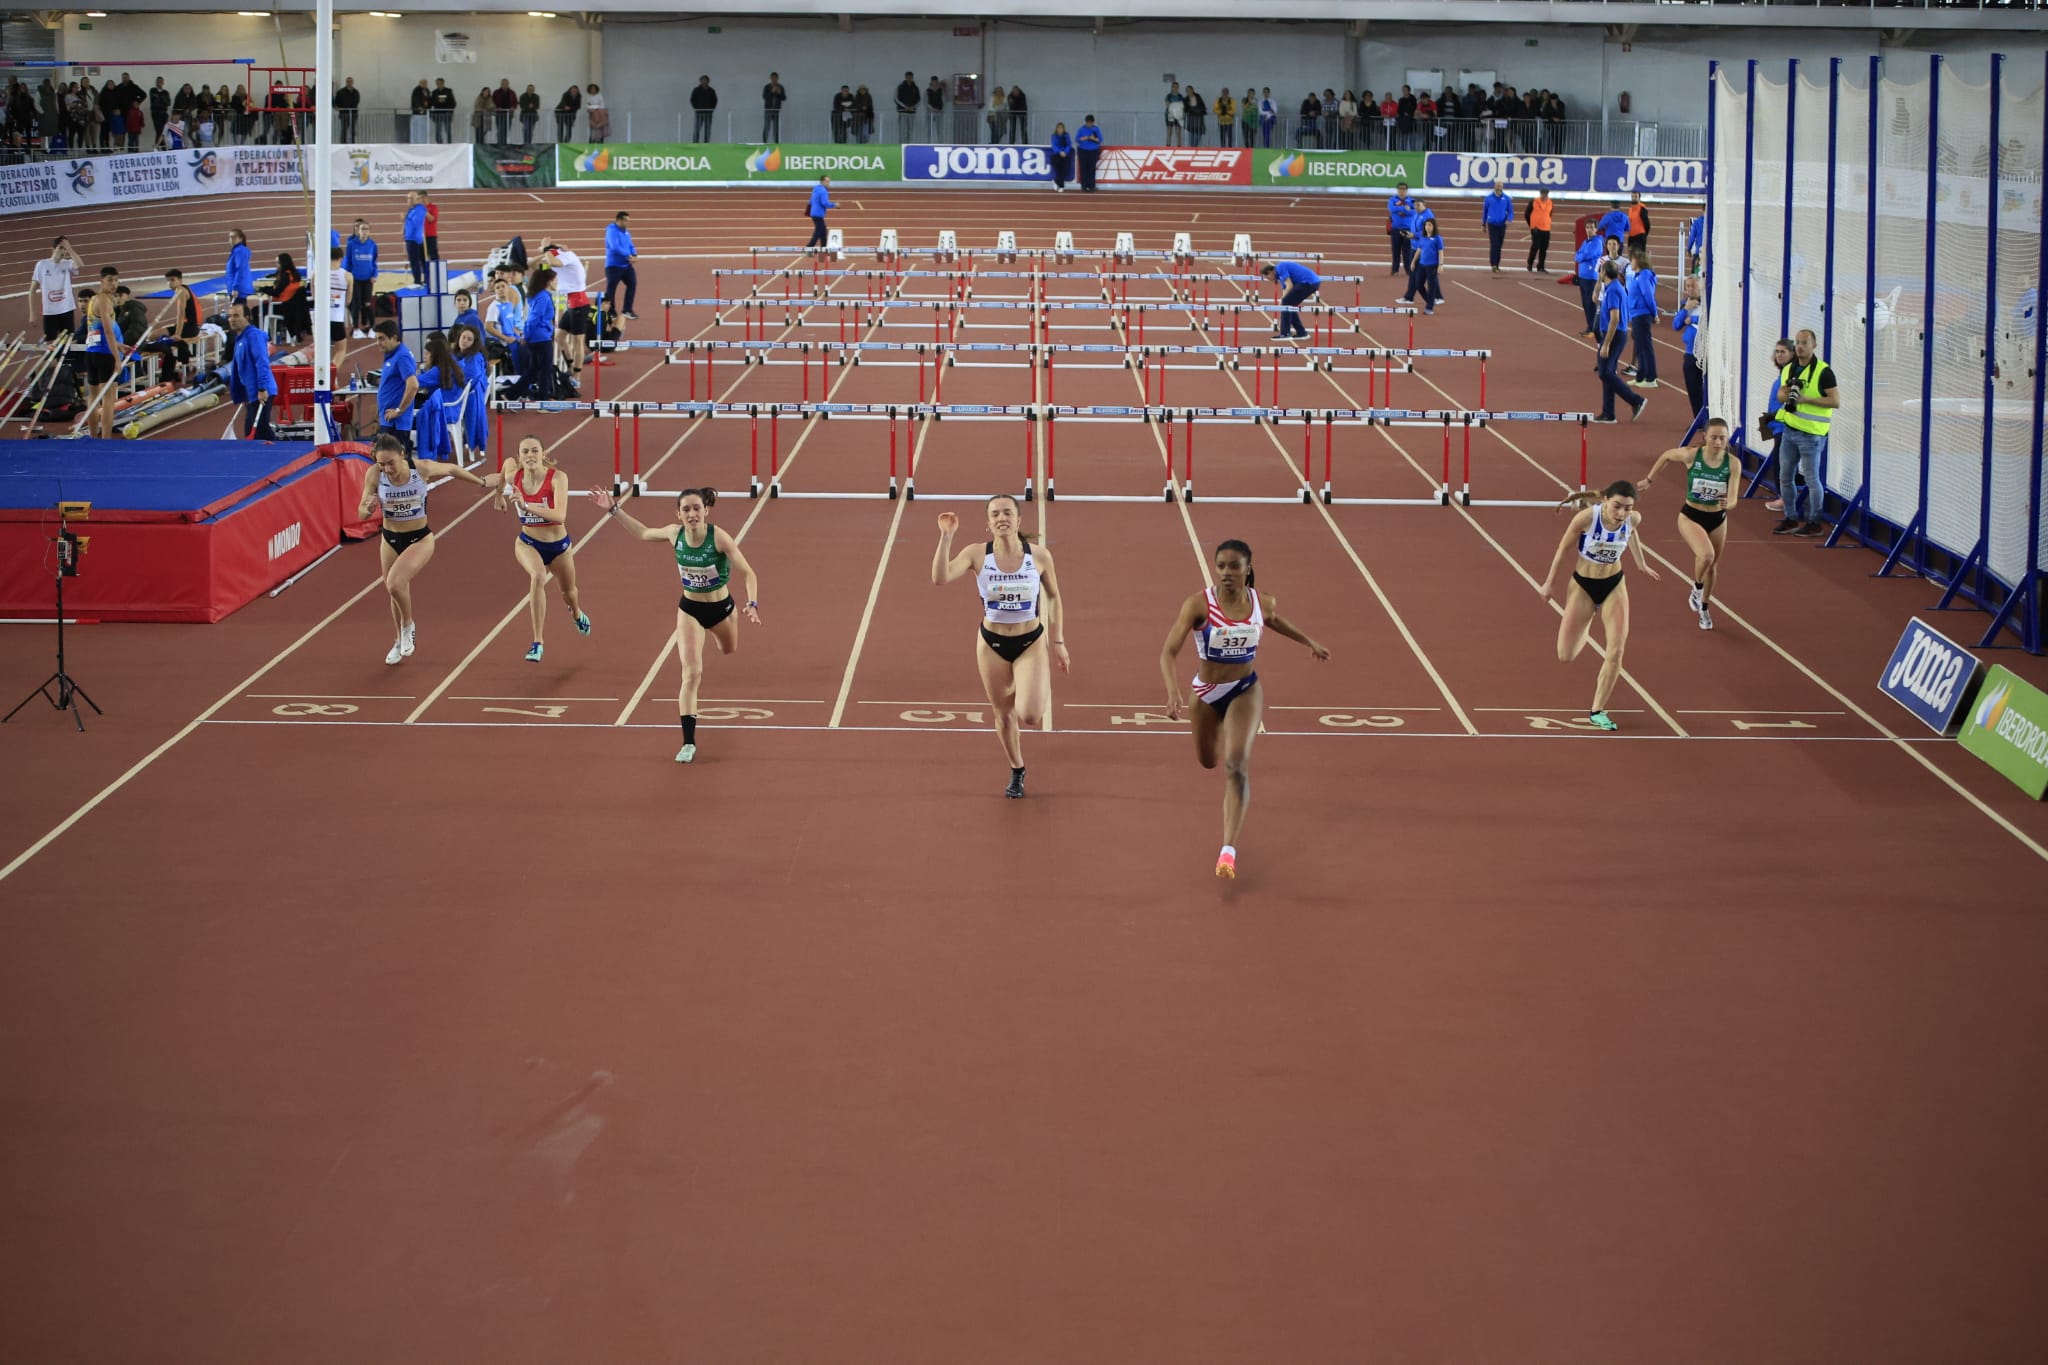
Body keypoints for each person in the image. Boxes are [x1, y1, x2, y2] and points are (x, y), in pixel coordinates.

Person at [1158, 539, 1329, 879]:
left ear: (1247, 568)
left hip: (1244, 690)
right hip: (1205, 694)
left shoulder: (1261, 602)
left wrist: (1309, 641)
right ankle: (1220, 728)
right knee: (1208, 762)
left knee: (1236, 766)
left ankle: (1227, 852)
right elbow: (1168, 652)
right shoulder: (1198, 606)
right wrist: (1173, 691)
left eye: (1234, 566)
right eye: (1220, 566)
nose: (1226, 573)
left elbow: (1274, 620)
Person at [590, 486, 762, 764]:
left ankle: (729, 623)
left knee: (728, 649)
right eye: (686, 510)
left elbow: (748, 572)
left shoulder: (718, 538)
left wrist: (752, 603)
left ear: (706, 510)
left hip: (721, 609)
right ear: (678, 514)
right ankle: (688, 742)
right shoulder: (674, 534)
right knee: (691, 674)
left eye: (696, 508)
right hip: (690, 610)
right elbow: (643, 533)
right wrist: (613, 509)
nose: (692, 514)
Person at [930, 496, 1070, 800]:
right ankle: (1017, 769)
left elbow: (1054, 597)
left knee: (1030, 715)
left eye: (1008, 512)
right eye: (995, 514)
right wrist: (946, 536)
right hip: (992, 644)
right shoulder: (977, 554)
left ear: (1019, 521)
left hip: (1029, 642)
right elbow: (940, 578)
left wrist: (1057, 642)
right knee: (1003, 714)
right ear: (988, 523)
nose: (1001, 517)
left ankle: (1028, 682)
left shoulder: (1040, 556)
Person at [358, 432, 500, 666]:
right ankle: (398, 639)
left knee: (394, 583)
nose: (387, 469)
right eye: (382, 464)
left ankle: (408, 626)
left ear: (402, 455)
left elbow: (452, 469)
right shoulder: (374, 474)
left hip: (419, 538)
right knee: (394, 591)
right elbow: (361, 512)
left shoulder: (420, 468)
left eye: (391, 463)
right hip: (390, 538)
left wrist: (482, 482)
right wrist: (368, 507)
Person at [1536, 480, 1660, 732]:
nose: (1621, 513)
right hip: (1583, 586)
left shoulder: (1632, 519)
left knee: (1616, 650)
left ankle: (1597, 711)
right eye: (1617, 506)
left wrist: (1640, 563)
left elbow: (1632, 533)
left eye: (1627, 508)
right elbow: (1563, 549)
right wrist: (1549, 583)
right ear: (1605, 500)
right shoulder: (1586, 519)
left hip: (1614, 585)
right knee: (1565, 655)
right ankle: (1589, 616)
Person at [492, 435, 592, 662]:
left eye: (534, 451)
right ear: (520, 456)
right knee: (537, 576)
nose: (529, 456)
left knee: (570, 593)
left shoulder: (558, 478)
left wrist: (526, 505)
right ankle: (537, 642)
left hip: (558, 546)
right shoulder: (513, 475)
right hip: (528, 543)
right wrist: (499, 494)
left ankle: (576, 613)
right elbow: (506, 464)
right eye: (525, 452)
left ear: (543, 454)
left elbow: (559, 516)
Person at [1638, 418, 1737, 631]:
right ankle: (1696, 587)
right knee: (1706, 555)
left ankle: (1703, 607)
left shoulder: (1732, 464)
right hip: (1691, 516)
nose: (1718, 442)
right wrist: (1649, 480)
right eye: (1714, 437)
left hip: (1718, 518)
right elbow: (1666, 455)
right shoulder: (1692, 455)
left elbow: (1734, 498)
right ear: (1705, 437)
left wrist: (1728, 502)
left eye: (1722, 438)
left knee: (1712, 568)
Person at [1773, 327, 1839, 537]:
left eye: (1804, 343)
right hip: (1790, 431)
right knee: (1785, 476)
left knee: (1811, 479)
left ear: (1814, 346)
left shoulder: (1823, 371)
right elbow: (1780, 397)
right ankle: (1791, 517)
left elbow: (1835, 401)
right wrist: (1786, 394)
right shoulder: (1789, 369)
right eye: (1798, 343)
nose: (1800, 347)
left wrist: (1806, 399)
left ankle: (1815, 521)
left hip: (1812, 435)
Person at [1592, 260, 1645, 423]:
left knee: (1605, 372)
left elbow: (1615, 318)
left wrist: (1606, 343)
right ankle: (1608, 413)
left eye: (1600, 271)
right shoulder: (1612, 287)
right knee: (1607, 373)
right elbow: (1597, 300)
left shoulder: (1614, 290)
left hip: (1614, 334)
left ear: (1604, 273)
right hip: (1614, 333)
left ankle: (1636, 400)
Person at [77, 266, 124, 440]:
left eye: (117, 280)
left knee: (93, 398)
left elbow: (98, 331)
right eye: (110, 280)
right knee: (108, 402)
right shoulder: (104, 300)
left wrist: (118, 345)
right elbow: (108, 330)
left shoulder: (94, 300)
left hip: (91, 353)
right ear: (101, 280)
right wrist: (117, 358)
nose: (114, 284)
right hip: (104, 356)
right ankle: (105, 440)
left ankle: (92, 436)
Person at [540, 240, 590, 392]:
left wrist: (545, 249)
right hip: (571, 303)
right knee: (559, 336)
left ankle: (577, 376)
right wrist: (544, 251)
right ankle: (571, 365)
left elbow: (553, 261)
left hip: (579, 303)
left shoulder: (566, 256)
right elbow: (541, 263)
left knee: (577, 341)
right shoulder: (560, 256)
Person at [225, 299, 277, 440]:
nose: (232, 320)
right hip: (251, 393)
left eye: (236, 316)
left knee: (258, 432)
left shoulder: (254, 336)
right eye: (230, 316)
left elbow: (262, 363)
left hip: (261, 391)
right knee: (256, 432)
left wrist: (261, 388)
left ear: (247, 317)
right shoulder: (240, 339)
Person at [372, 321, 420, 450]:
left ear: (394, 337)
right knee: (390, 462)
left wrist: (399, 410)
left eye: (381, 339)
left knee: (397, 463)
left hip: (396, 423)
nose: (378, 343)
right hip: (389, 419)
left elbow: (413, 385)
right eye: (376, 339)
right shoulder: (393, 354)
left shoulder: (401, 357)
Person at [29, 236, 79, 343]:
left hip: (67, 309)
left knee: (69, 342)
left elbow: (80, 264)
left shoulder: (68, 264)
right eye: (61, 248)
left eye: (65, 249)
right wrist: (32, 313)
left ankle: (68, 360)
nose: (63, 251)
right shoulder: (41, 265)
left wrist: (70, 249)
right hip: (50, 312)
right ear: (53, 249)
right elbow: (32, 290)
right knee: (50, 343)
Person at [519, 265, 558, 401]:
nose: (557, 283)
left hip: (538, 336)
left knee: (533, 370)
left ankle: (511, 394)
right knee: (545, 370)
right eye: (555, 280)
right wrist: (526, 335)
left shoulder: (538, 296)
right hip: (540, 338)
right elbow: (534, 318)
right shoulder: (543, 298)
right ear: (548, 282)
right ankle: (543, 400)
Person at [1260, 259, 1321, 340]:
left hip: (1309, 282)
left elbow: (1289, 285)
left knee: (1287, 302)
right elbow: (1285, 289)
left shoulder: (1280, 267)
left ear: (1271, 271)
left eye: (1267, 277)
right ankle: (1301, 332)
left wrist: (1283, 300)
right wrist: (1282, 301)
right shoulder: (1279, 276)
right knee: (1289, 305)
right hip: (1310, 282)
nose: (1269, 280)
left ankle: (1285, 333)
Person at [1626, 248, 1659, 388]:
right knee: (1639, 347)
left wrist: (1654, 313)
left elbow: (1648, 296)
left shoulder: (1644, 276)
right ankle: (1641, 376)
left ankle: (1651, 378)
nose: (1630, 262)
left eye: (1632, 259)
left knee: (1645, 346)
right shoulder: (1638, 275)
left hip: (1642, 314)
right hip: (1636, 314)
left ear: (1639, 260)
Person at [1673, 275, 1704, 417]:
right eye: (1688, 287)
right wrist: (1685, 309)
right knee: (1692, 388)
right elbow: (1676, 325)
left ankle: (1708, 419)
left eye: (1694, 286)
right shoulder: (1684, 304)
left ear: (1700, 287)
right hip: (1690, 353)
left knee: (1706, 388)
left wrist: (1693, 318)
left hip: (1705, 354)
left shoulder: (1707, 303)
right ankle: (1697, 418)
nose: (1690, 289)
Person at [1399, 219, 1444, 314]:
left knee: (1431, 286)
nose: (1428, 227)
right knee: (1418, 285)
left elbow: (1441, 252)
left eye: (1430, 225)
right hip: (1422, 265)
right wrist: (1413, 262)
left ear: (1434, 226)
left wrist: (1440, 265)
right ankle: (1430, 301)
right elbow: (1419, 250)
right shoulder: (1422, 237)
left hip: (1432, 266)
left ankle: (1429, 308)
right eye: (1426, 225)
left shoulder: (1437, 238)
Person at [1573, 229, 1605, 338]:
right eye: (1587, 227)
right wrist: (1581, 256)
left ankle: (1595, 328)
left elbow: (1586, 255)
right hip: (1583, 276)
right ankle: (1590, 327)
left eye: (1591, 227)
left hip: (1591, 277)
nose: (1589, 229)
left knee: (1591, 304)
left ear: (1596, 229)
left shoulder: (1597, 242)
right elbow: (1576, 255)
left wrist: (1581, 256)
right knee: (1586, 304)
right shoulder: (1585, 242)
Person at [1481, 179, 1514, 275]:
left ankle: (1497, 264)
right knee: (1494, 244)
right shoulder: (1488, 198)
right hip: (1492, 224)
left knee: (1499, 246)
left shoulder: (1507, 198)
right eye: (1498, 185)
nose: (1499, 187)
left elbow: (1511, 211)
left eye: (1501, 185)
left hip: (1502, 224)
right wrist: (1483, 224)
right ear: (1494, 186)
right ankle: (1493, 265)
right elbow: (1485, 212)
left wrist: (1509, 219)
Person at [1387, 181, 1415, 276]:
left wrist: (1404, 211)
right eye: (1400, 189)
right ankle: (1395, 270)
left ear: (1406, 190)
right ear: (1397, 190)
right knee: (1395, 251)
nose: (1402, 191)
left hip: (1407, 229)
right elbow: (1391, 209)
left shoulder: (1411, 201)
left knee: (1407, 251)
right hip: (1395, 229)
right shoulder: (1392, 199)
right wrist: (1405, 209)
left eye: (1403, 189)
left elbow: (1414, 212)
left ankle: (1408, 270)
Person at [402, 190, 429, 287]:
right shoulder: (411, 209)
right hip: (410, 237)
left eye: (410, 198)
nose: (408, 200)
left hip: (415, 239)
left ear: (416, 199)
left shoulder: (420, 209)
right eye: (408, 198)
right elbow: (408, 224)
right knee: (417, 260)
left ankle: (419, 281)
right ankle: (422, 280)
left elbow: (416, 223)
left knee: (416, 261)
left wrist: (405, 218)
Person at [805, 175, 836, 253]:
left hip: (814, 213)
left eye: (829, 181)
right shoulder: (823, 191)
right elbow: (824, 203)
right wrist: (835, 205)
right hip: (818, 214)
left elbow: (810, 201)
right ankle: (809, 248)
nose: (829, 183)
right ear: (822, 181)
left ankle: (824, 248)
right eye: (827, 181)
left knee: (823, 231)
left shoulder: (816, 188)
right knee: (818, 232)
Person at [1526, 187, 1554, 273]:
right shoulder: (1534, 201)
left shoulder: (1550, 202)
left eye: (1546, 194)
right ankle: (1530, 263)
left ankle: (1541, 266)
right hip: (1536, 229)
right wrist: (1532, 225)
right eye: (1543, 194)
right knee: (1535, 246)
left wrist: (1547, 222)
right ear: (1540, 194)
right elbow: (1527, 214)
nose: (1544, 196)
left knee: (1544, 248)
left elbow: (1550, 214)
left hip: (1546, 228)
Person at [224, 227, 254, 307]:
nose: (231, 239)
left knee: (239, 313)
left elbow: (240, 270)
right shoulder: (236, 251)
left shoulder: (240, 251)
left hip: (238, 289)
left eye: (233, 237)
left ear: (240, 238)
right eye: (230, 237)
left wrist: (235, 288)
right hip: (237, 288)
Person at [1075, 115, 1103, 192]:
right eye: (1088, 122)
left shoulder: (1096, 129)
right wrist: (1086, 138)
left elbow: (1100, 140)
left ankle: (1091, 186)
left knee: (1091, 169)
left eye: (1091, 122)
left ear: (1093, 122)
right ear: (1086, 122)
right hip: (1083, 150)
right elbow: (1077, 139)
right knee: (1083, 168)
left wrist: (1093, 138)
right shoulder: (1081, 129)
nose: (1089, 124)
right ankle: (1084, 186)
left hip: (1093, 151)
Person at [1048, 122, 1074, 192]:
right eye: (1058, 128)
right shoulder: (1054, 136)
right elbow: (1054, 145)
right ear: (1056, 128)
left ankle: (1057, 182)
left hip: (1065, 154)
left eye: (1061, 127)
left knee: (1064, 170)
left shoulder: (1066, 135)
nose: (1060, 129)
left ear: (1063, 128)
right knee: (1059, 170)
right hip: (1057, 155)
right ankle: (1061, 185)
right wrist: (1060, 152)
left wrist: (1065, 151)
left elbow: (1069, 144)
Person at [689, 75, 717, 142]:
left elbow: (715, 100)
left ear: (708, 81)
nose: (704, 82)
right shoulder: (696, 90)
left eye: (706, 80)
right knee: (697, 129)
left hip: (708, 112)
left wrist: (712, 109)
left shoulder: (711, 91)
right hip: (699, 112)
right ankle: (695, 143)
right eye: (703, 80)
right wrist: (696, 108)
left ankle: (706, 143)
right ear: (700, 81)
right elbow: (692, 99)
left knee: (707, 129)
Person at [895, 71, 920, 143]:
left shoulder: (916, 88)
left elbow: (919, 99)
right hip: (902, 112)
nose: (909, 79)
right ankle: (901, 146)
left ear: (912, 78)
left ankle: (908, 145)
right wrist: (904, 106)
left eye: (911, 77)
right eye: (908, 77)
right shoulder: (900, 87)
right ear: (905, 77)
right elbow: (896, 98)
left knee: (910, 130)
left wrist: (913, 107)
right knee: (902, 130)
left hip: (912, 112)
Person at [762, 71, 785, 142]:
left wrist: (779, 93)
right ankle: (764, 143)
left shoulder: (780, 87)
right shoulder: (767, 87)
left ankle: (776, 143)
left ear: (777, 79)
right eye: (773, 78)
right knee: (767, 127)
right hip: (768, 110)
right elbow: (764, 97)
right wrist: (771, 92)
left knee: (776, 128)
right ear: (770, 78)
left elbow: (783, 98)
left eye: (775, 78)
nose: (774, 79)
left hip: (776, 111)